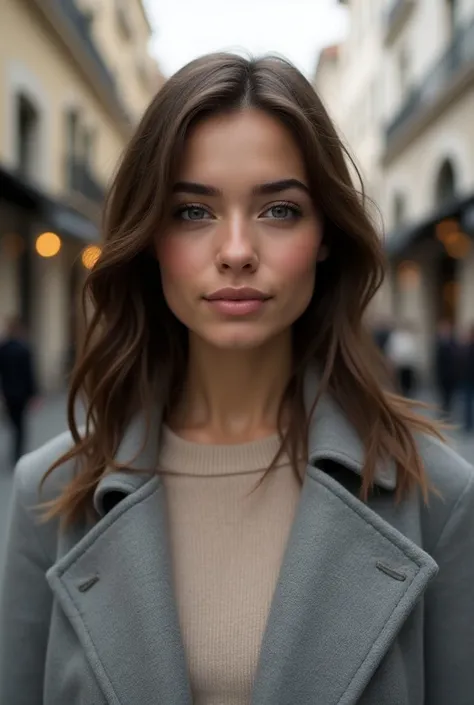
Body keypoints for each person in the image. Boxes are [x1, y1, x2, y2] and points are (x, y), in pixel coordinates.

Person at [1, 53, 473, 705]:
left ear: (327, 235)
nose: (236, 249)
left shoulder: (440, 496)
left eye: (279, 209)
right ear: (150, 239)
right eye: (193, 211)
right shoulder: (47, 495)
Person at [0, 316, 38, 465]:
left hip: (8, 392)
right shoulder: (24, 348)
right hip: (22, 393)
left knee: (13, 422)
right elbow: (30, 373)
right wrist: (34, 393)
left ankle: (16, 451)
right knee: (20, 424)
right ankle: (18, 452)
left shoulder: (3, 349)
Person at [385, 320, 419, 397]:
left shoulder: (409, 337)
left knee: (408, 382)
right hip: (400, 364)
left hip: (408, 364)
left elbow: (414, 350)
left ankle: (407, 393)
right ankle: (403, 393)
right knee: (401, 382)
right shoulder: (396, 336)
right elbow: (392, 349)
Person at [434, 319, 459, 419]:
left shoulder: (453, 342)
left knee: (450, 395)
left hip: (451, 374)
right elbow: (437, 360)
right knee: (443, 395)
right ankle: (444, 411)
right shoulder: (439, 343)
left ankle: (447, 411)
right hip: (442, 374)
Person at [461, 323, 474, 432]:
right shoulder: (466, 346)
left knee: (468, 403)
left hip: (469, 378)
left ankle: (469, 424)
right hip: (467, 379)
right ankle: (468, 424)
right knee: (467, 404)